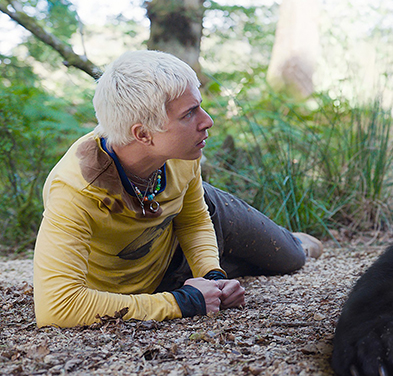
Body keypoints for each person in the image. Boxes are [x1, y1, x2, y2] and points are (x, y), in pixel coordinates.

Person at [33, 50, 323, 327]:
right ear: (143, 133)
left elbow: (195, 218)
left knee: (291, 259)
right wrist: (183, 303)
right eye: (189, 114)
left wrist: (210, 276)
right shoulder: (75, 190)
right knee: (253, 266)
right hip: (153, 282)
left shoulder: (183, 154)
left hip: (181, 240)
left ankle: (294, 242)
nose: (207, 121)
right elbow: (56, 306)